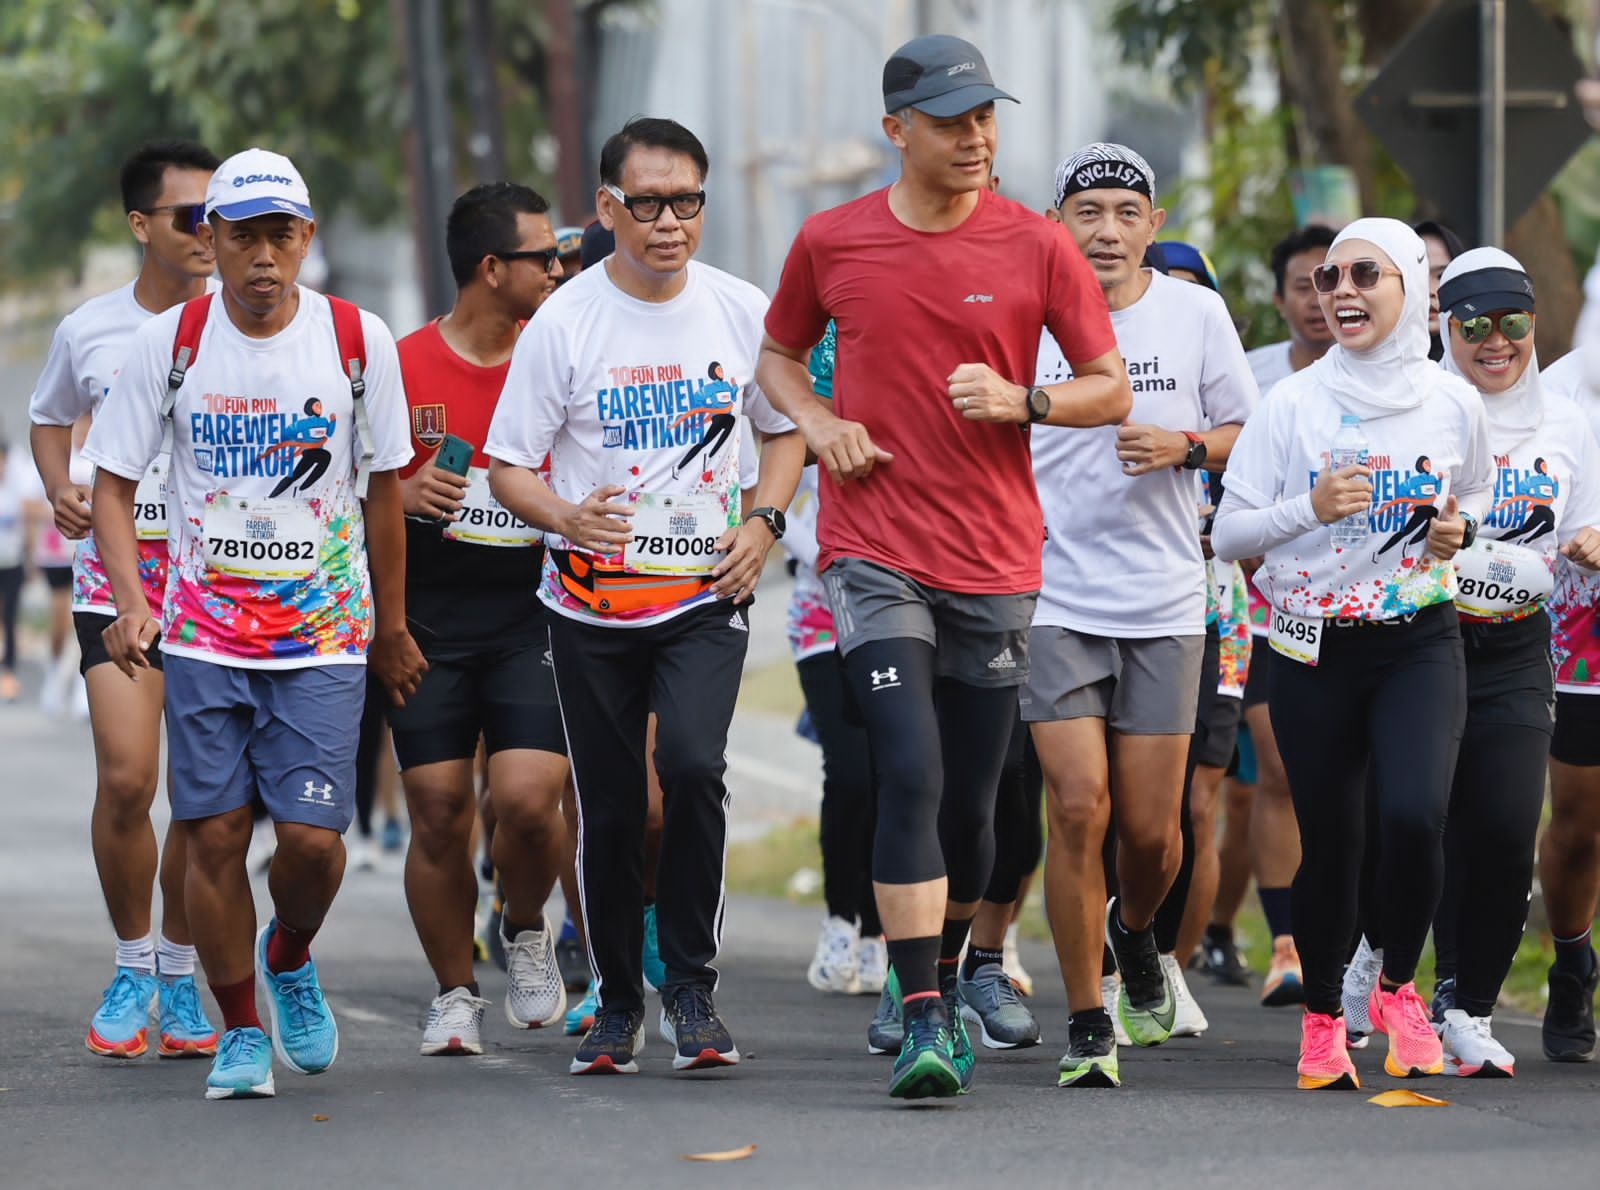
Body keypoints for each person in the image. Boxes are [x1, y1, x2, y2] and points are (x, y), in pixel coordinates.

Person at [759, 37, 1129, 1100]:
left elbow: (1106, 387)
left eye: (985, 118)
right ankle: (922, 1009)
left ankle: (957, 963)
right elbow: (780, 358)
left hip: (995, 556)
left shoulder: (1038, 245)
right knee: (907, 768)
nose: (976, 138)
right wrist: (821, 422)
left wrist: (1025, 401)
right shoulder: (832, 241)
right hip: (873, 551)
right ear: (897, 132)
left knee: (976, 801)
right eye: (953, 120)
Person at [84, 148, 425, 1100]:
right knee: (216, 836)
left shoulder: (358, 341)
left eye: (282, 235)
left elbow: (384, 493)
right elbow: (110, 485)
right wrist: (131, 604)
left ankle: (289, 953)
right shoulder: (173, 343)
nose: (264, 257)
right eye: (244, 236)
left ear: (307, 240)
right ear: (211, 240)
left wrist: (391, 627)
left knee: (315, 845)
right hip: (201, 639)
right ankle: (239, 1028)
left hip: (322, 639)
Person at [487, 116, 805, 1077]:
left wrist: (764, 523)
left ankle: (694, 990)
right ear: (608, 208)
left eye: (689, 202)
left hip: (705, 595)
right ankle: (620, 999)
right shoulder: (567, 321)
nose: (671, 222)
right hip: (590, 605)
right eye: (650, 203)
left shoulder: (742, 309)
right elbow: (507, 467)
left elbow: (785, 431)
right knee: (617, 802)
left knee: (699, 769)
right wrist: (565, 517)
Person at [1213, 217, 1493, 1090]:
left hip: (1420, 639)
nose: (1341, 292)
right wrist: (1311, 506)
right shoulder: (1291, 405)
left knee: (1414, 817)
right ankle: (1326, 1017)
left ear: (1414, 287)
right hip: (1312, 648)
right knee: (1332, 838)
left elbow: (1475, 493)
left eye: (1365, 275)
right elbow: (1228, 531)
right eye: (1330, 278)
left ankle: (1398, 985)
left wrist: (1461, 529)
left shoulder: (1454, 400)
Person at [1028, 143, 1256, 1087]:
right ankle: (1087, 1020)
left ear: (1154, 227)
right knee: (1079, 806)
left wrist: (1188, 444)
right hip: (1051, 595)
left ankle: (1134, 938)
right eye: (1089, 212)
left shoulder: (1196, 313)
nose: (1108, 229)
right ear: (1059, 225)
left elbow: (1252, 437)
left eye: (1128, 211)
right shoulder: (1023, 317)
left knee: (1154, 836)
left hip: (1165, 600)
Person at [27, 140, 223, 1060]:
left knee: (202, 795)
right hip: (118, 575)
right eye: (190, 217)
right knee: (127, 778)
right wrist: (63, 483)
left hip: (224, 585)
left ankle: (181, 978)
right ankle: (130, 959)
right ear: (142, 225)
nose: (209, 234)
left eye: (218, 216)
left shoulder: (250, 320)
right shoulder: (91, 329)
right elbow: (47, 415)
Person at [392, 182, 575, 1055]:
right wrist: (398, 494)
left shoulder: (563, 349)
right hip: (427, 612)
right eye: (542, 255)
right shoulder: (399, 367)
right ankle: (454, 994)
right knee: (436, 808)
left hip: (533, 611)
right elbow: (339, 491)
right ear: (491, 268)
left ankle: (528, 923)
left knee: (529, 803)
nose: (558, 266)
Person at [1418, 248, 1600, 1077]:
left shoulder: (1564, 418)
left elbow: (1582, 519)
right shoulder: (1419, 409)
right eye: (1475, 326)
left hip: (1523, 637)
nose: (1497, 341)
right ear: (1444, 329)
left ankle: (1469, 1003)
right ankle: (1407, 981)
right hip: (1426, 634)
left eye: (1514, 323)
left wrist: (1592, 543)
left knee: (1501, 825)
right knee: (1425, 823)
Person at [1206, 223, 1339, 1002]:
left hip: (1369, 608)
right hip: (1263, 604)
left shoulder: (1402, 383)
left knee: (1343, 781)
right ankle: (1289, 943)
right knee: (1276, 771)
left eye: (1340, 279)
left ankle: (1356, 945)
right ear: (1283, 295)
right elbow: (1229, 497)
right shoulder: (1257, 383)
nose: (1325, 298)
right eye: (1307, 283)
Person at [792, 322, 885, 1000]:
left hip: (895, 608)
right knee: (849, 769)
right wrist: (830, 548)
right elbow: (768, 494)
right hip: (822, 609)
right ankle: (839, 922)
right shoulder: (801, 403)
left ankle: (884, 933)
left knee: (896, 768)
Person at [1415, 219, 1468, 362]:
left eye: (1441, 276)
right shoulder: (1373, 368)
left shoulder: (1486, 362)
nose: (1430, 291)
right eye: (1417, 275)